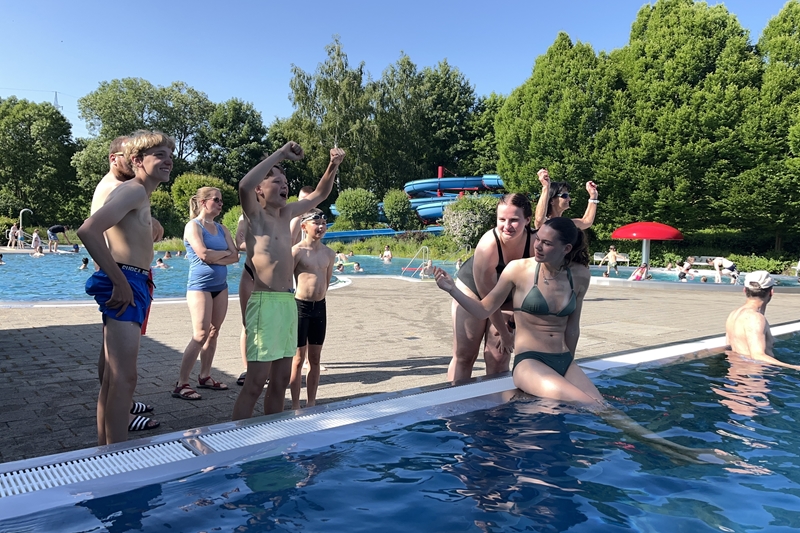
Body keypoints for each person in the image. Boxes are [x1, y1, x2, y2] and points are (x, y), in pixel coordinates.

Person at [435, 218, 732, 464]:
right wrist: (452, 289)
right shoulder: (518, 270)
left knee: (602, 405)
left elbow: (573, 327)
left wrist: (568, 364)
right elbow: (484, 309)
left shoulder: (579, 275)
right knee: (592, 406)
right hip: (530, 363)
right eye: (538, 239)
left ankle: (661, 450)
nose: (538, 245)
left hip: (562, 359)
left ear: (566, 248)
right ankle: (674, 450)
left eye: (547, 243)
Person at [232, 143, 344, 420]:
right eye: (276, 181)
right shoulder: (255, 216)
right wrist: (280, 154)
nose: (285, 186)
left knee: (281, 381)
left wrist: (332, 166)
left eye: (286, 182)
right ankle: (236, 438)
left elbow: (320, 194)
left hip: (287, 302)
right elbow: (244, 185)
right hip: (265, 303)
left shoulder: (286, 214)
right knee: (255, 382)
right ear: (260, 189)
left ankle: (274, 434)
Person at [77, 130, 174, 445]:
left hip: (135, 279)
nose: (168, 160)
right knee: (123, 378)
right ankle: (116, 456)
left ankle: (105, 451)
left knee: (113, 380)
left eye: (170, 155)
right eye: (159, 155)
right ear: (138, 160)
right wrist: (119, 281)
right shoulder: (132, 191)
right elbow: (88, 230)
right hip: (127, 279)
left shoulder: (139, 194)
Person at [450, 193, 535, 381]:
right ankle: (454, 397)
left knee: (499, 356)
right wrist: (504, 333)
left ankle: (497, 399)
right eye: (501, 219)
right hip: (474, 291)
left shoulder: (535, 243)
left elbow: (533, 288)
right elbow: (487, 301)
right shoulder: (488, 245)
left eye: (514, 220)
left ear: (528, 220)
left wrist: (513, 323)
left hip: (507, 296)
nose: (507, 226)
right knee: (465, 354)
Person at [172, 187, 239, 400]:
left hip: (221, 286)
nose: (220, 204)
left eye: (221, 200)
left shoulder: (222, 228)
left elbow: (236, 256)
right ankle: (181, 383)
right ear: (203, 202)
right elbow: (203, 254)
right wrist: (223, 254)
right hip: (200, 287)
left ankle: (205, 376)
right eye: (216, 200)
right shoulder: (193, 226)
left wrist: (216, 255)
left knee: (213, 332)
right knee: (200, 334)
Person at [290, 208, 336, 409]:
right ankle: (295, 404)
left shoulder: (329, 254)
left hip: (320, 308)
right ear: (304, 226)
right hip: (300, 307)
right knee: (298, 359)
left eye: (323, 223)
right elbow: (286, 281)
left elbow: (326, 283)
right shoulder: (297, 251)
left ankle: (311, 402)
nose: (321, 227)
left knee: (315, 358)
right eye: (316, 223)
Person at [726, 270, 800, 370]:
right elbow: (757, 356)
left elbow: (728, 348)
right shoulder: (755, 318)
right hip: (755, 376)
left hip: (737, 373)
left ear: (744, 290)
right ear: (771, 292)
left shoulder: (733, 314)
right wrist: (794, 367)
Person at [533, 168, 598, 230]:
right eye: (565, 195)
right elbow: (539, 220)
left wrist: (593, 196)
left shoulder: (565, 224)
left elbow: (587, 221)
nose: (569, 199)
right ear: (552, 200)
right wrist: (546, 187)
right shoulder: (545, 223)